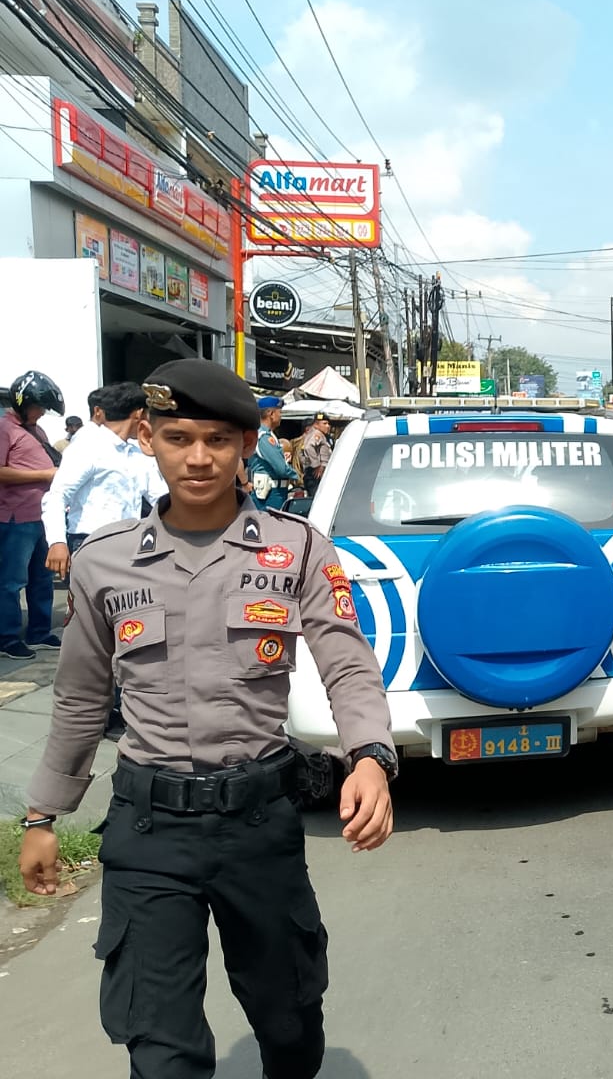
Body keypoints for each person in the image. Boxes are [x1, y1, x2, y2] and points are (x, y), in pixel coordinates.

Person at [17, 358, 397, 1079]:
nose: (197, 458)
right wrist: (43, 816)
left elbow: (347, 663)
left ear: (248, 444)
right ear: (147, 439)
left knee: (289, 1024)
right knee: (160, 1050)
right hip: (149, 829)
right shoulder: (105, 563)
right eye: (178, 436)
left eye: (218, 440)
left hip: (260, 825)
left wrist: (372, 758)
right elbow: (77, 697)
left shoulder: (297, 549)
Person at [43, 382, 166, 571]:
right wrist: (57, 542)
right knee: (90, 600)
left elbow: (159, 497)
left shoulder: (137, 452)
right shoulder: (88, 447)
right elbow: (57, 496)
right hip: (91, 542)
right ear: (139, 414)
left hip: (129, 541)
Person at [0, 371, 65, 660]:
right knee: (11, 581)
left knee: (42, 577)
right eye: (39, 407)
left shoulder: (36, 431)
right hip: (15, 518)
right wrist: (44, 474)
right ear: (23, 402)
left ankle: (39, 631)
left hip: (42, 516)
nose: (41, 413)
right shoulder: (4, 429)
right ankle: (7, 636)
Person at [248, 395, 299, 509]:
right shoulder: (264, 437)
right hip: (271, 494)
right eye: (279, 412)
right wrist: (297, 476)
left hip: (273, 492)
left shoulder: (266, 435)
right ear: (271, 414)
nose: (281, 416)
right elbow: (280, 468)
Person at [298, 412, 335, 496]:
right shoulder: (317, 434)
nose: (328, 426)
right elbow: (308, 447)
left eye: (328, 423)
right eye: (324, 423)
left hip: (314, 472)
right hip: (315, 473)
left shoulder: (317, 434)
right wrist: (317, 465)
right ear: (316, 424)